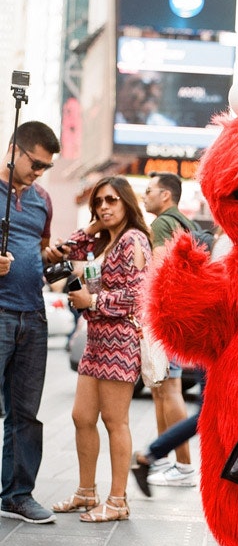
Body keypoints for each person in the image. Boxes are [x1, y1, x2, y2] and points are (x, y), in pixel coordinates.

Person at [52, 176, 153, 522]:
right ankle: (85, 492)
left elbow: (138, 296)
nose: (104, 206)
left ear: (127, 201)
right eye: (98, 202)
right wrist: (93, 225)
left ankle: (118, 500)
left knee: (115, 421)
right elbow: (70, 250)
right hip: (96, 340)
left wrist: (92, 299)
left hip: (120, 341)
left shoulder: (133, 240)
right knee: (81, 417)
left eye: (111, 200)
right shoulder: (105, 241)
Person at [0, 121, 61, 524]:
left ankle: (17, 495)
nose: (39, 172)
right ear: (13, 149)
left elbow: (39, 251)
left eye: (46, 167)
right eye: (35, 163)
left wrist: (54, 257)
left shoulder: (42, 201)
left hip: (33, 316)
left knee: (26, 413)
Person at [141, 172, 197, 487]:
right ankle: (166, 462)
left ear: (166, 195)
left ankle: (184, 466)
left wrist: (149, 313)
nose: (145, 196)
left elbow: (158, 269)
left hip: (167, 314)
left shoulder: (162, 223)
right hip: (182, 313)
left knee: (169, 387)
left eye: (149, 190)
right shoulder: (184, 223)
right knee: (163, 388)